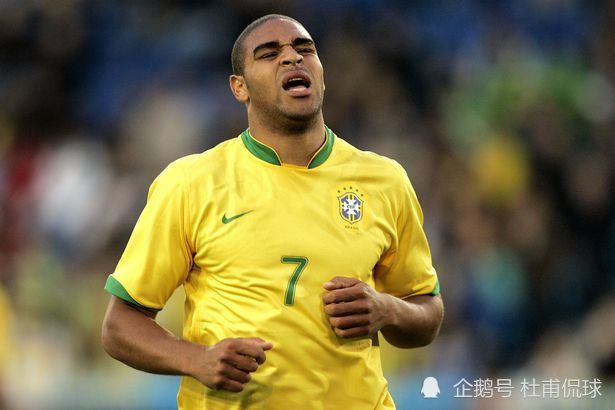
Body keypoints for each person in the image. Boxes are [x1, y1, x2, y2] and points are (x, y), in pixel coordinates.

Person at [101, 14, 444, 409]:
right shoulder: (192, 182)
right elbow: (119, 326)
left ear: (321, 73)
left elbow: (427, 311)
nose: (291, 58)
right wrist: (196, 359)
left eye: (305, 49)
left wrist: (387, 310)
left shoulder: (385, 180)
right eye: (269, 53)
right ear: (239, 88)